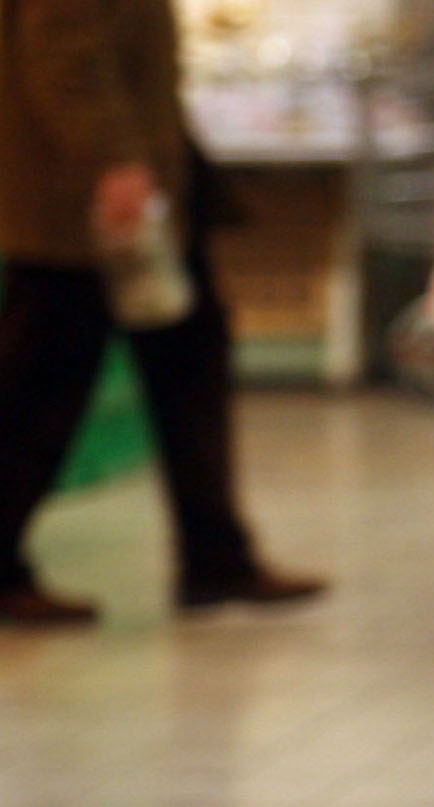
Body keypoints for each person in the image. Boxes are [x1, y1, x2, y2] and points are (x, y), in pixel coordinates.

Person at [0, 0, 329, 626]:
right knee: (37, 389)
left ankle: (216, 556)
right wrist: (112, 159)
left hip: (141, 198)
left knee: (188, 367)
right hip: (80, 211)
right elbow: (66, 55)